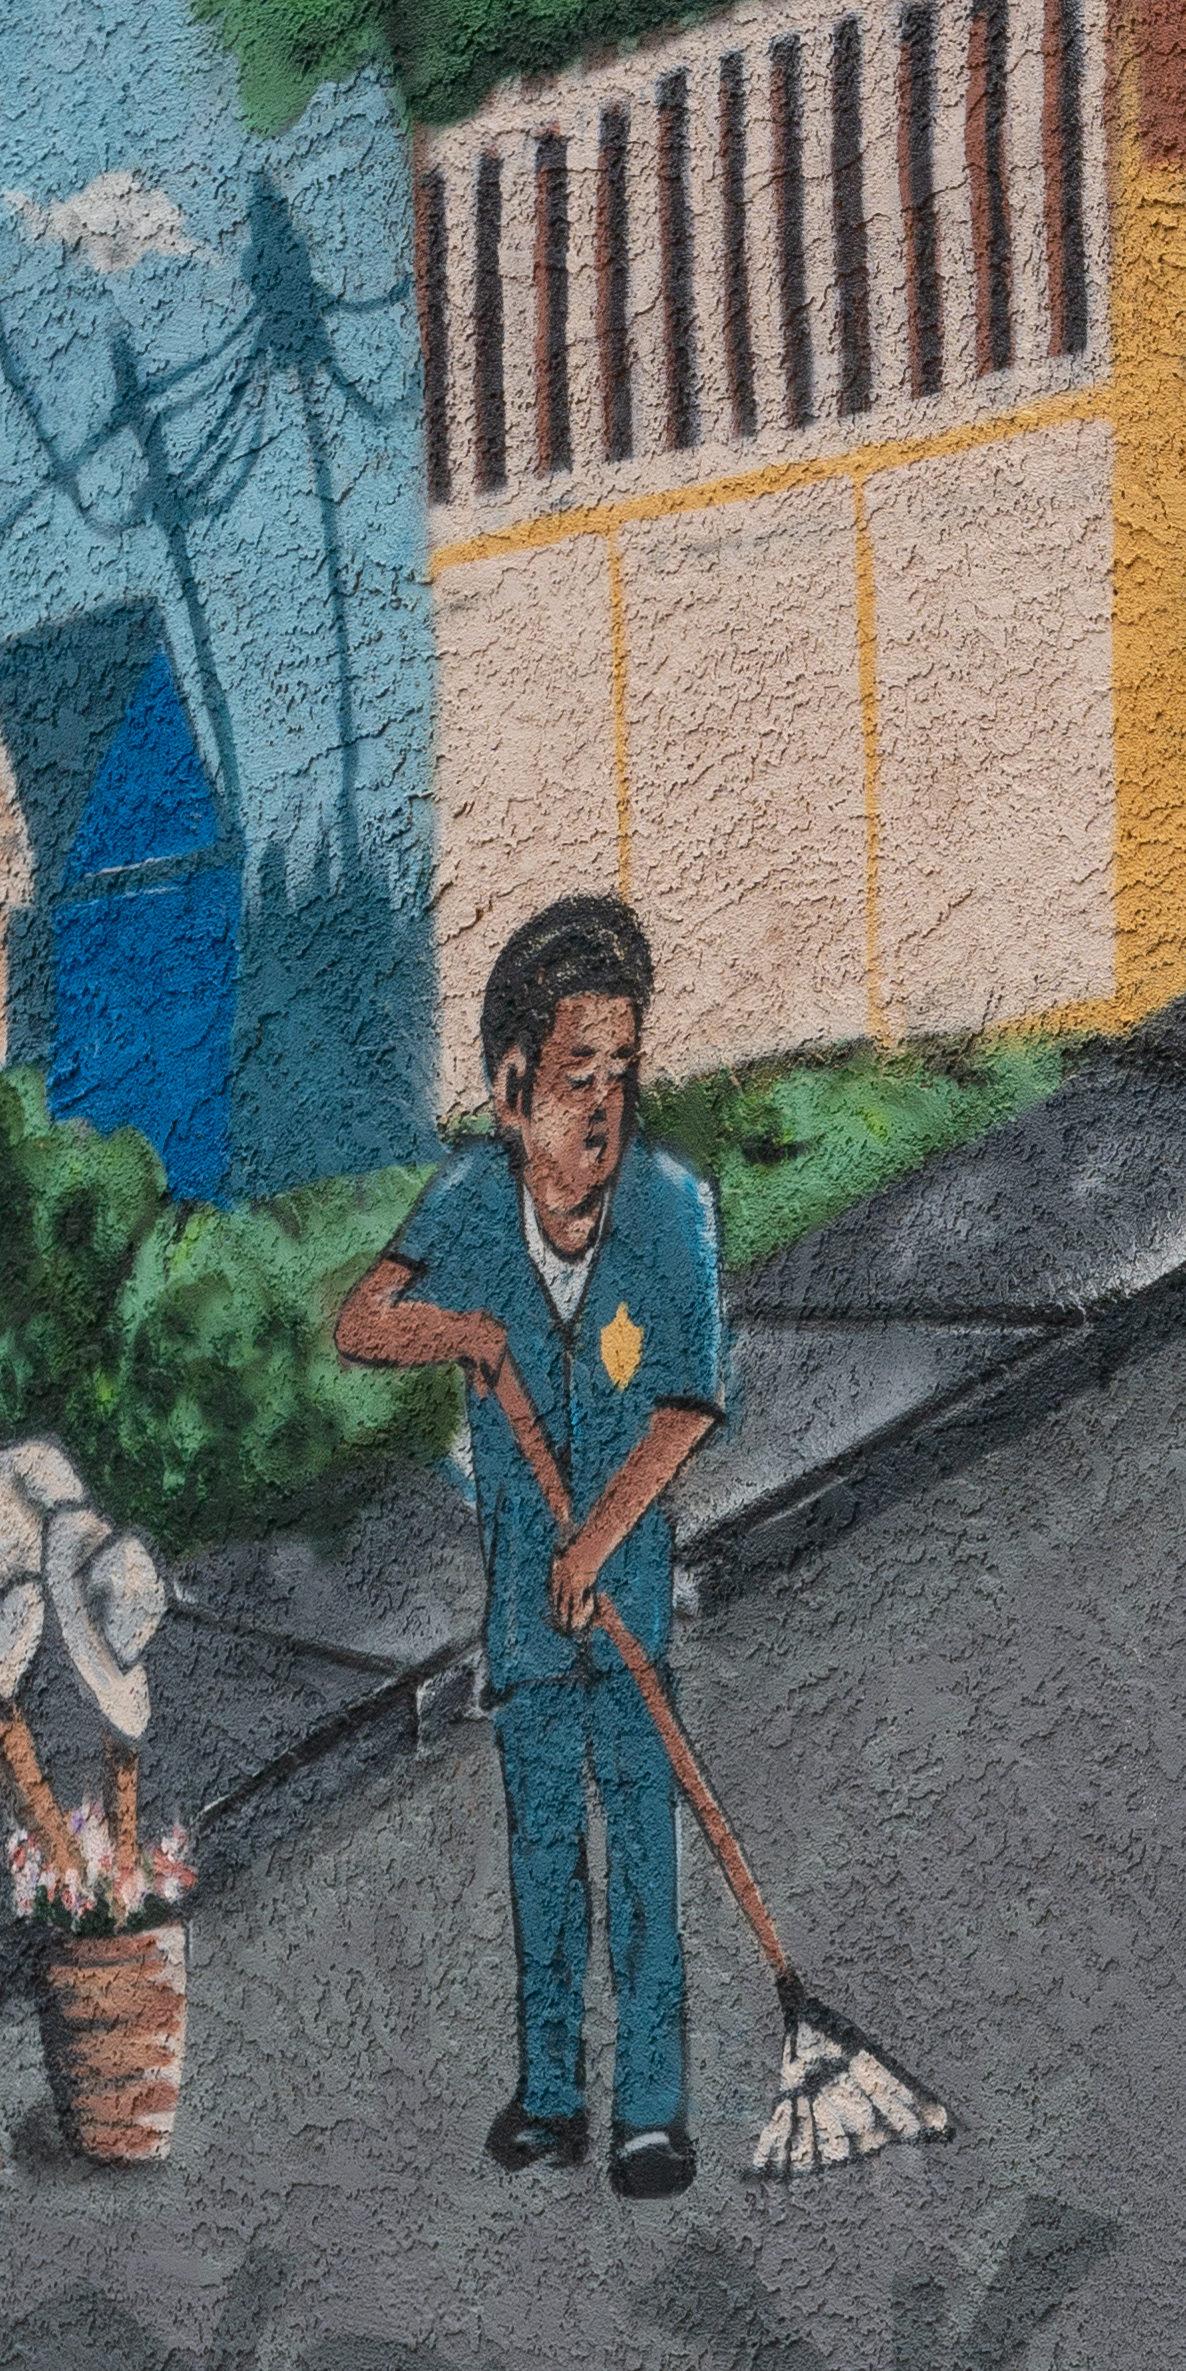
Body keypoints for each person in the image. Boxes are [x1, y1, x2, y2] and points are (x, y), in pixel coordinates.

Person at [330, 896, 734, 2198]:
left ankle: (651, 2111)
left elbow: (683, 1406)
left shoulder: (671, 1211)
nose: (603, 1106)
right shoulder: (468, 1201)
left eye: (621, 1072)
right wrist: (465, 1334)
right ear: (512, 1092)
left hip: (622, 1604)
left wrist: (600, 1546)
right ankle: (553, 2092)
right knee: (543, 1854)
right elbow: (360, 1319)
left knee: (642, 1853)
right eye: (575, 1077)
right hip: (523, 1603)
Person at [0, 1430, 171, 2179]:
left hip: (16, 1585)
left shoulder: (98, 1572)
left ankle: (64, 1867)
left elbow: (121, 1748)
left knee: (9, 1724)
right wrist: (65, 1854)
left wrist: (116, 1885)